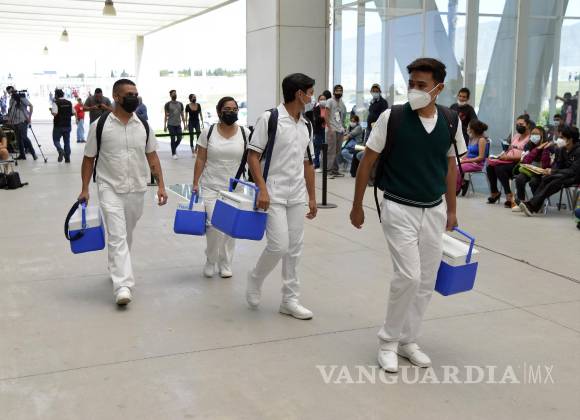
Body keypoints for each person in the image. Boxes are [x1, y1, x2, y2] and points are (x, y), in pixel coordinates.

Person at [350, 58, 467, 373]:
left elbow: (451, 167)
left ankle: (408, 340)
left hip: (434, 209)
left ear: (438, 89)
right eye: (411, 83)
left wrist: (452, 209)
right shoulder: (393, 117)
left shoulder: (451, 121)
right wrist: (357, 205)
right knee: (409, 276)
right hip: (398, 206)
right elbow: (367, 161)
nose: (414, 89)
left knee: (426, 279)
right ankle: (388, 341)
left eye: (421, 85)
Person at [78, 79, 168, 306]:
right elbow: (88, 159)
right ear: (116, 97)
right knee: (117, 235)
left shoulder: (143, 126)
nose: (134, 98)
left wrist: (161, 185)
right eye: (129, 94)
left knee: (126, 234)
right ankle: (123, 286)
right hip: (109, 187)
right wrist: (85, 188)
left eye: (136, 94)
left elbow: (152, 157)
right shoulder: (99, 126)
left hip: (137, 188)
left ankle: (115, 266)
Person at [245, 73, 317, 320]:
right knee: (278, 245)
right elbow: (253, 156)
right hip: (273, 192)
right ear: (299, 94)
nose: (312, 97)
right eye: (310, 93)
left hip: (297, 193)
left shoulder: (306, 124)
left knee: (295, 249)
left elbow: (308, 163)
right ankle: (255, 278)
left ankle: (289, 300)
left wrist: (312, 197)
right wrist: (262, 189)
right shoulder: (270, 118)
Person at [193, 97, 250, 279]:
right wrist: (195, 182)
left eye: (234, 109)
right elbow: (201, 159)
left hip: (235, 189)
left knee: (229, 228)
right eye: (227, 109)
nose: (231, 112)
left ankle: (225, 262)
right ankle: (211, 260)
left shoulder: (245, 133)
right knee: (213, 226)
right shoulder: (208, 132)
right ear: (219, 111)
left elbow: (252, 160)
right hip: (211, 186)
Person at [520, 125, 580, 216]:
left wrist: (553, 172)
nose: (559, 140)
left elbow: (573, 171)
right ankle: (533, 206)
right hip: (563, 175)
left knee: (556, 180)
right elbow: (558, 165)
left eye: (562, 137)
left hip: (575, 177)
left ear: (570, 139)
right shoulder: (562, 150)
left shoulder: (578, 151)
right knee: (547, 178)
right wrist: (550, 170)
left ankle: (531, 205)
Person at [486, 115, 531, 208]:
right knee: (490, 166)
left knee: (499, 168)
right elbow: (509, 149)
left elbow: (527, 156)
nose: (518, 126)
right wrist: (500, 156)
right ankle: (494, 192)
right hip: (508, 161)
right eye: (517, 124)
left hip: (519, 164)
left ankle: (508, 195)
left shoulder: (530, 139)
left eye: (521, 124)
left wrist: (508, 158)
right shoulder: (516, 136)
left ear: (528, 125)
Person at [511, 126, 552, 211]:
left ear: (542, 136)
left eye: (536, 134)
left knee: (534, 182)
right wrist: (537, 149)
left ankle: (537, 203)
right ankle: (521, 203)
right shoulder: (528, 145)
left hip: (542, 173)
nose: (534, 136)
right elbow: (525, 161)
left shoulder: (548, 147)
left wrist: (544, 150)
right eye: (532, 134)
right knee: (519, 178)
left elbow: (545, 165)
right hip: (529, 170)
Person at [456, 119, 490, 196]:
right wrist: (459, 159)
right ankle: (461, 183)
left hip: (477, 164)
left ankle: (456, 188)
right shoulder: (471, 138)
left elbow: (481, 157)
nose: (467, 128)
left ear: (473, 129)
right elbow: (468, 153)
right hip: (469, 161)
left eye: (468, 127)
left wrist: (464, 161)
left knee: (457, 168)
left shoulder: (482, 140)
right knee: (451, 165)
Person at [6, 86, 36, 161]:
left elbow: (31, 106)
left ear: (14, 90)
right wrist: (9, 119)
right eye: (9, 92)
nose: (10, 93)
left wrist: (29, 117)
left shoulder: (21, 97)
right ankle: (22, 155)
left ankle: (33, 153)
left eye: (11, 91)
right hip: (15, 122)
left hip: (22, 120)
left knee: (24, 137)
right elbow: (11, 110)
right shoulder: (11, 100)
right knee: (19, 139)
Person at [325, 84, 347, 177]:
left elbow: (341, 116)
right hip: (332, 129)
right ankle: (328, 170)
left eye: (340, 90)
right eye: (337, 90)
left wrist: (343, 127)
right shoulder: (330, 101)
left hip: (339, 129)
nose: (339, 92)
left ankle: (335, 170)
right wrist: (330, 128)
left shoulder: (341, 103)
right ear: (334, 91)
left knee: (337, 151)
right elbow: (326, 115)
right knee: (331, 151)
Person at [51, 89, 73, 163]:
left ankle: (60, 150)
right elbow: (73, 112)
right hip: (67, 125)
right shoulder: (69, 102)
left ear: (56, 95)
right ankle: (67, 158)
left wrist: (51, 111)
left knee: (56, 140)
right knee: (67, 142)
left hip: (58, 125)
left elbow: (54, 113)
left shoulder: (56, 103)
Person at [164, 89, 186, 159]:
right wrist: (164, 126)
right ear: (170, 95)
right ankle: (173, 153)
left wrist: (185, 124)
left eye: (175, 93)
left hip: (178, 124)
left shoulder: (180, 104)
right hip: (171, 124)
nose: (175, 94)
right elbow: (166, 115)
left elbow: (182, 115)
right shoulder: (167, 104)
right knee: (173, 139)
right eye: (173, 93)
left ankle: (173, 147)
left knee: (179, 138)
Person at [312, 93, 328, 172]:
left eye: (324, 99)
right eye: (321, 99)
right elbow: (316, 120)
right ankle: (316, 165)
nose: (323, 101)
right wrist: (324, 118)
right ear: (318, 100)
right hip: (319, 131)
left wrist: (323, 118)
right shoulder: (316, 109)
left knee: (326, 149)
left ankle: (326, 165)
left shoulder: (328, 108)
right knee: (317, 148)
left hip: (327, 131)